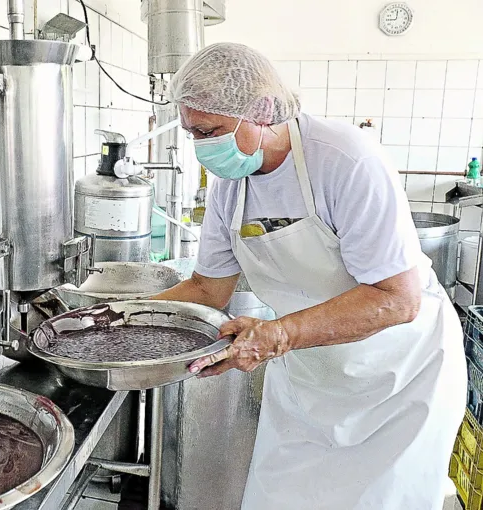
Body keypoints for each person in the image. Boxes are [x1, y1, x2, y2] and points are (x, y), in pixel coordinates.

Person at [154, 42, 466, 509]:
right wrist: (122, 317)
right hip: (311, 379)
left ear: (260, 112)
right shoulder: (229, 188)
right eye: (194, 133)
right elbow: (206, 288)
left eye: (211, 131)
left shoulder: (345, 160)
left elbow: (397, 299)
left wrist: (276, 335)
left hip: (397, 380)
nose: (202, 147)